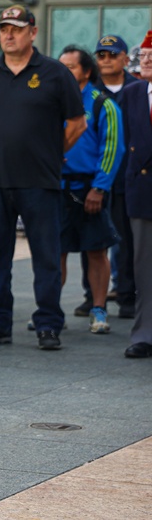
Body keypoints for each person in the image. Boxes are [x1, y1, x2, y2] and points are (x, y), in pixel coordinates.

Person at [0, 5, 87, 351]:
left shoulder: (54, 73)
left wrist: (51, 151)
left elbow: (78, 123)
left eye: (16, 29)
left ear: (32, 32)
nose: (8, 34)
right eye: (4, 29)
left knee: (46, 255)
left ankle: (48, 324)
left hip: (40, 179)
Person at [57, 45, 124, 335]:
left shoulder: (102, 104)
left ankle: (98, 309)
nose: (64, 72)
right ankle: (50, 310)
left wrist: (99, 188)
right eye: (61, 66)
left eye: (70, 67)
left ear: (86, 71)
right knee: (54, 252)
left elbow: (112, 149)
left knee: (97, 251)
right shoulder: (52, 102)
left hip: (89, 188)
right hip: (57, 187)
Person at [87, 34, 139, 319]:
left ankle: (127, 294)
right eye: (101, 55)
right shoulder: (89, 91)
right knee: (91, 240)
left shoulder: (138, 88)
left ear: (124, 58)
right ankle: (91, 296)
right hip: (94, 178)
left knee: (126, 241)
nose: (105, 60)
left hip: (128, 179)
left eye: (111, 54)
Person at [120, 30, 152, 358]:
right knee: (143, 267)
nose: (147, 61)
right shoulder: (132, 93)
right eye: (143, 56)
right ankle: (144, 333)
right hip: (142, 189)